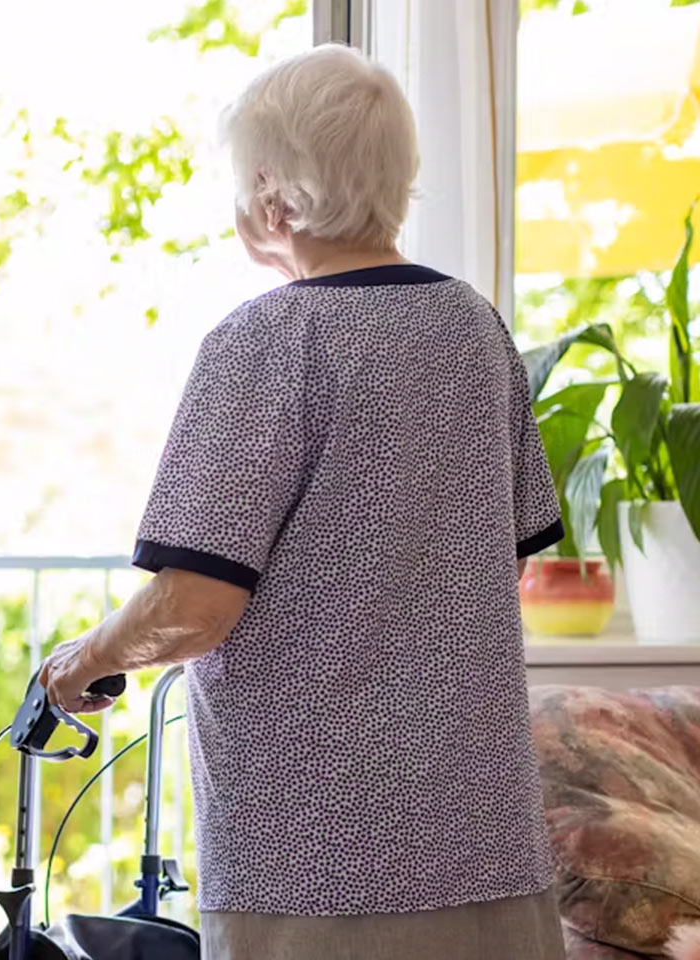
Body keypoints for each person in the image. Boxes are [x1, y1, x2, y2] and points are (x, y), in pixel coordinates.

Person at [38, 44, 566, 960]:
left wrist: (81, 665)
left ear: (274, 194)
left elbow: (195, 605)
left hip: (317, 864)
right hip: (485, 841)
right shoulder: (477, 328)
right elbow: (498, 560)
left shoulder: (267, 342)